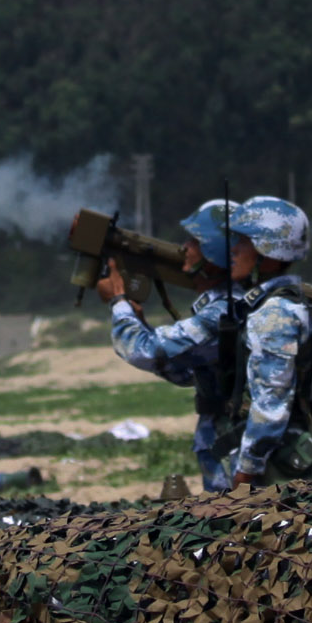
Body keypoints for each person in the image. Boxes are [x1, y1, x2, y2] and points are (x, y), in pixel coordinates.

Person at [99, 197, 245, 487]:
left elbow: (145, 351)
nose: (184, 248)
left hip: (238, 449)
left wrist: (118, 301)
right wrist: (140, 324)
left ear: (215, 251)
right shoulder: (223, 306)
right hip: (226, 442)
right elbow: (188, 370)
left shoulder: (227, 310)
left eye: (195, 241)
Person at [221, 196, 312, 486]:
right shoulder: (273, 305)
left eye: (243, 242)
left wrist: (248, 467)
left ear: (266, 254)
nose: (233, 250)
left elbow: (271, 401)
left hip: (275, 471)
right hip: (277, 461)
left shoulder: (274, 313)